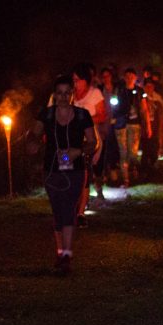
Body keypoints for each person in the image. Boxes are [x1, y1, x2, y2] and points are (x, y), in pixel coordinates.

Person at [27, 74, 97, 274]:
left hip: (75, 170)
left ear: (72, 95)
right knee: (58, 210)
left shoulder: (83, 116)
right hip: (52, 169)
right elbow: (34, 134)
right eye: (60, 93)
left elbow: (93, 142)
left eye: (67, 93)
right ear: (54, 95)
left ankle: (67, 254)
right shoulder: (46, 115)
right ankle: (61, 252)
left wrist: (78, 151)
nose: (63, 97)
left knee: (68, 208)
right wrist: (33, 143)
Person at [72, 64, 106, 228]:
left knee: (84, 173)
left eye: (77, 80)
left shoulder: (95, 94)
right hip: (70, 142)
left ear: (85, 80)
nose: (75, 83)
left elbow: (102, 115)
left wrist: (85, 120)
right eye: (73, 80)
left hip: (89, 141)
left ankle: (80, 213)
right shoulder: (69, 95)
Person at [112, 68, 151, 187]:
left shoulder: (139, 91)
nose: (129, 78)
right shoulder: (119, 90)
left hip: (135, 124)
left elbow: (144, 109)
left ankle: (133, 169)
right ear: (124, 77)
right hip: (121, 124)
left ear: (135, 77)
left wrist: (148, 125)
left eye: (131, 76)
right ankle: (126, 180)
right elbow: (113, 104)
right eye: (127, 75)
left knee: (133, 153)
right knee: (123, 152)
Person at [140, 79, 163, 180]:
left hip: (155, 127)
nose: (149, 88)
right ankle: (144, 172)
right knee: (146, 150)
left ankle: (153, 170)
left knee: (154, 149)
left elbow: (161, 114)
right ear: (144, 87)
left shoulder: (158, 99)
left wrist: (160, 129)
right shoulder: (141, 98)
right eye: (147, 86)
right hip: (144, 129)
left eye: (151, 86)